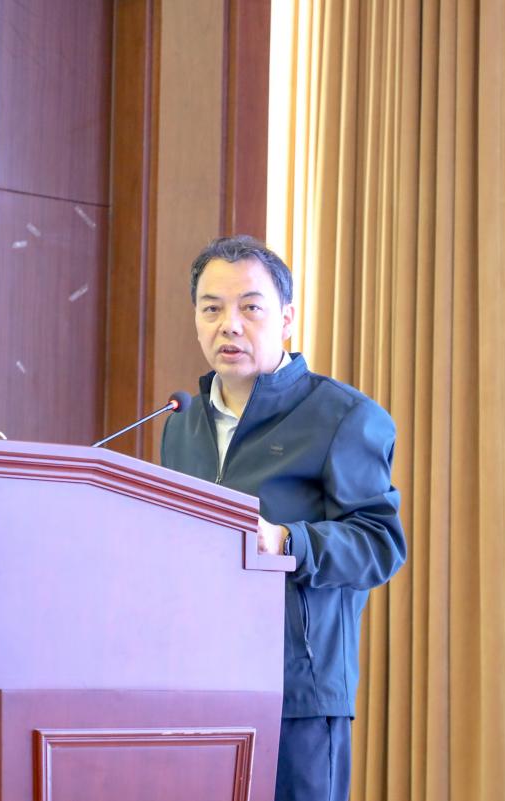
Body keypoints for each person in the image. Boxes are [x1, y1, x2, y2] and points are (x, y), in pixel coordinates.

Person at [160, 235, 406, 801]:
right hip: (194, 685)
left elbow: (380, 544)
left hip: (297, 691)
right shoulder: (181, 425)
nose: (229, 325)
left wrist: (284, 541)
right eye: (211, 309)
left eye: (250, 307)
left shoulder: (342, 417)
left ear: (287, 319)